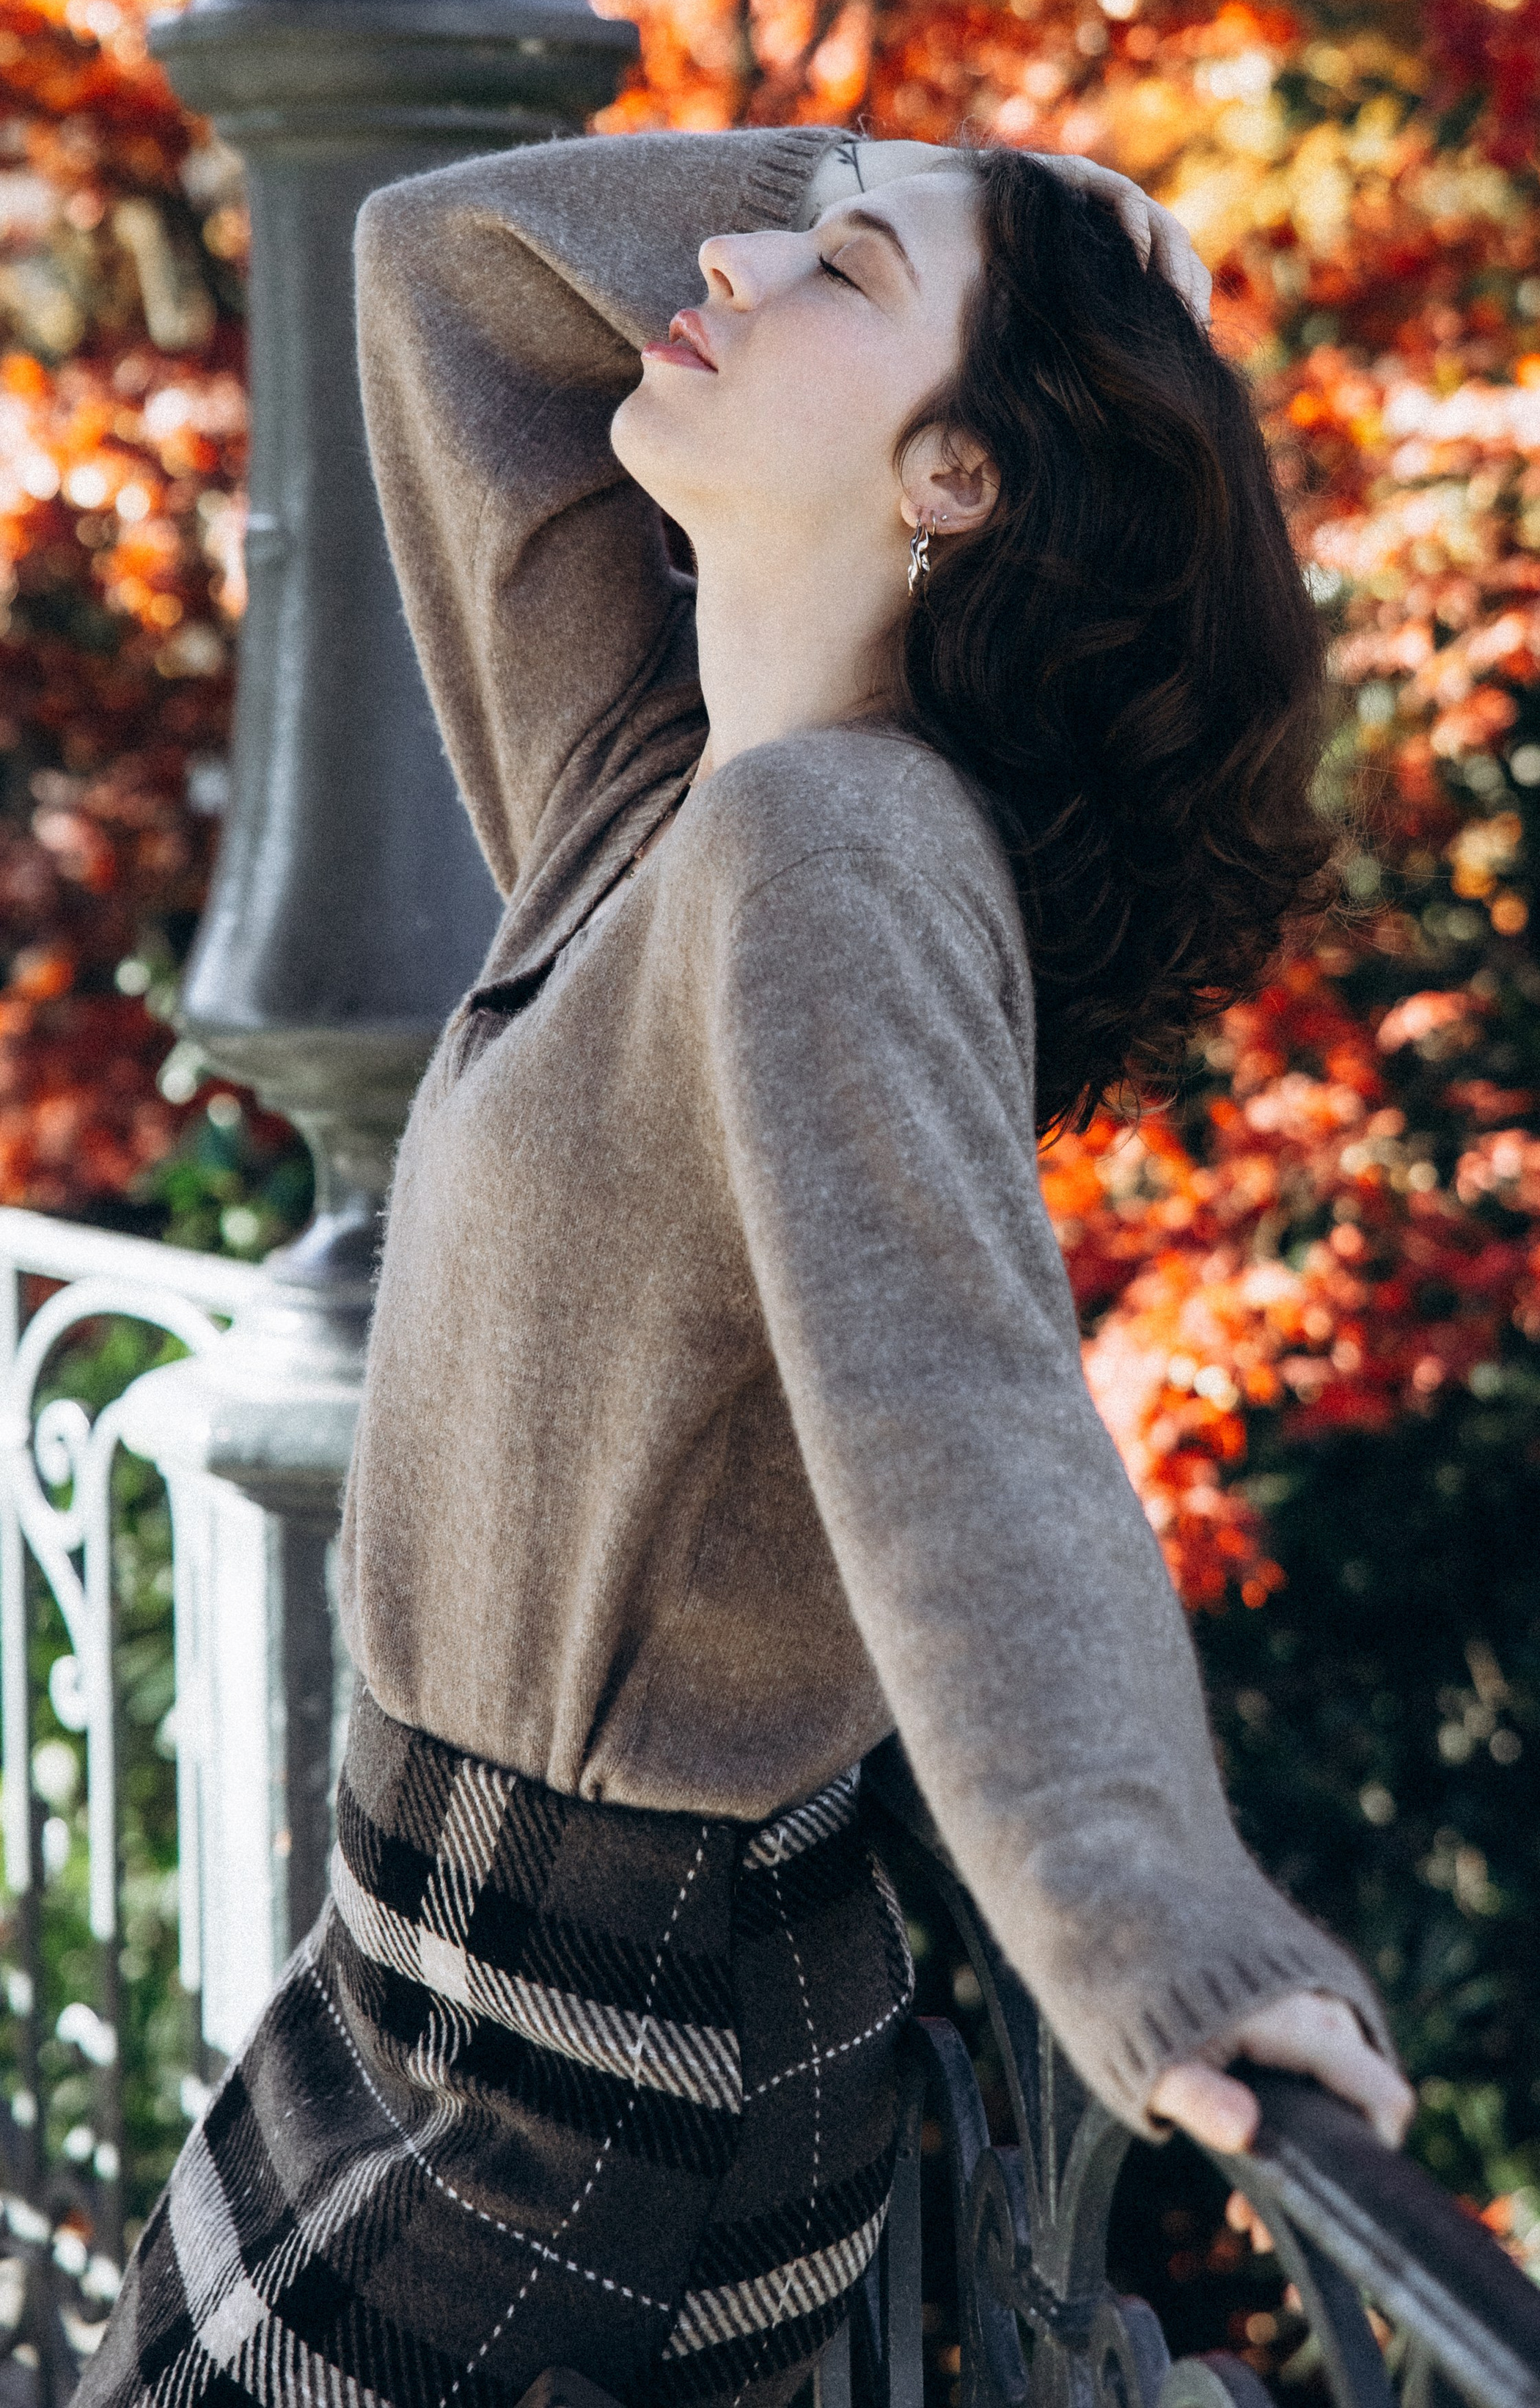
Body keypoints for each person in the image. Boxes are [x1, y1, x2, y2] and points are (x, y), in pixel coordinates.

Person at [79, 129, 1412, 2408]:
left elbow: (965, 1405)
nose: (726, 253)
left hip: (603, 2081)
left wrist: (1160, 1940)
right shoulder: (670, 782)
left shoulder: (836, 850)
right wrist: (959, 190)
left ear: (961, 476)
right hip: (419, 2001)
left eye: (839, 271)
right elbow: (440, 268)